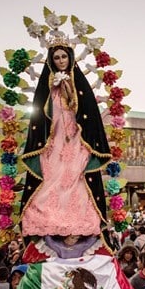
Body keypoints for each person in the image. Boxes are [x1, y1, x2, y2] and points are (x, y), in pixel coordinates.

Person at [19, 36, 112, 242]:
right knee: (52, 180)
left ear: (70, 58)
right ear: (51, 61)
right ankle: (49, 222)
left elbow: (85, 112)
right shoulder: (47, 86)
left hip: (76, 139)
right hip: (53, 139)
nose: (61, 61)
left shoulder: (80, 84)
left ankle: (78, 224)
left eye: (63, 57)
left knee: (75, 178)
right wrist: (53, 88)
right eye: (56, 57)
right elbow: (40, 115)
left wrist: (69, 88)